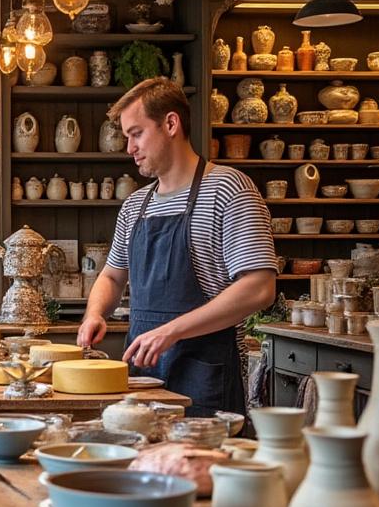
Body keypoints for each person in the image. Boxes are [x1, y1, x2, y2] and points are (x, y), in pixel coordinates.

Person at [78, 78, 277, 415]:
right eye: (127, 137)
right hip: (142, 375)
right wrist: (95, 313)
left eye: (136, 133)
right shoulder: (135, 205)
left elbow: (260, 288)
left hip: (205, 375)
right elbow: (112, 277)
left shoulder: (229, 189)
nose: (129, 148)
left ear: (171, 124)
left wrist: (171, 331)